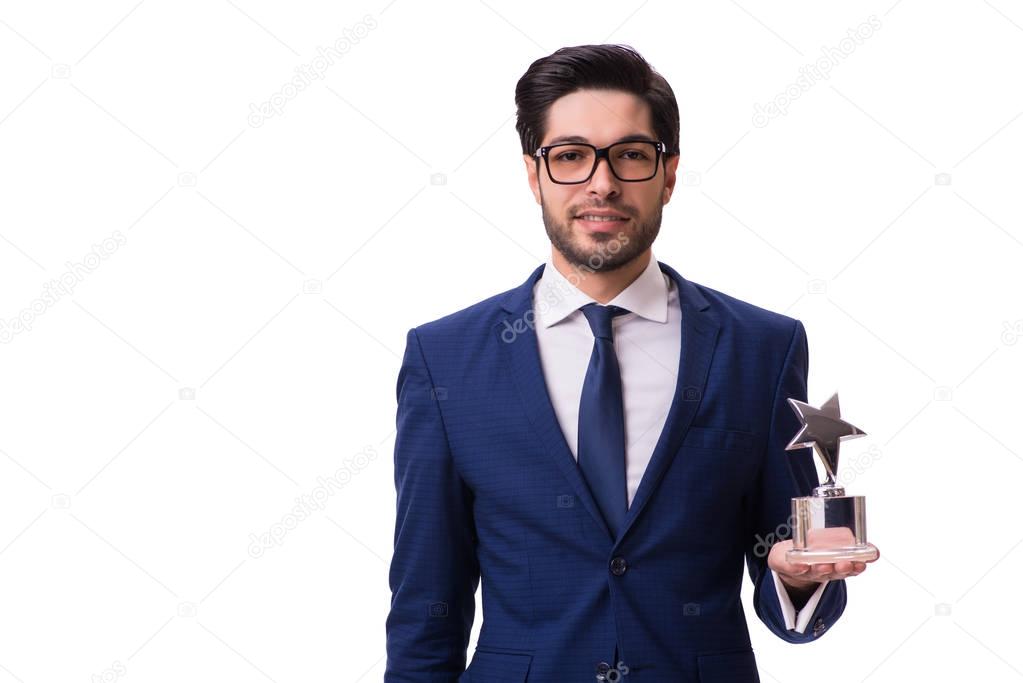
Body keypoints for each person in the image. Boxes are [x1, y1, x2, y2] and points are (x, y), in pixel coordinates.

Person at [385, 43, 877, 683]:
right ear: (534, 175)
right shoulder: (444, 357)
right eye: (569, 156)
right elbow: (426, 604)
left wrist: (793, 577)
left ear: (669, 173)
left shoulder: (762, 348)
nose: (602, 183)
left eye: (631, 156)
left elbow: (796, 588)